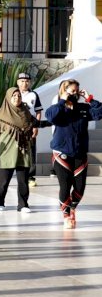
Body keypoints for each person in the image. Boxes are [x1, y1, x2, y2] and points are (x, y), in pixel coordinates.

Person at [45, 79, 102, 229]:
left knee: (80, 188)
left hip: (80, 153)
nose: (75, 93)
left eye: (77, 90)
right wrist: (62, 99)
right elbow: (50, 116)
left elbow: (99, 114)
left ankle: (73, 208)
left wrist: (90, 99)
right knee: (65, 186)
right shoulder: (58, 108)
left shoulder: (83, 108)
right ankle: (66, 215)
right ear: (64, 90)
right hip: (61, 152)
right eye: (72, 90)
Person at [16, 72, 43, 187]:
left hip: (29, 127)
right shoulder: (13, 93)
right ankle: (19, 175)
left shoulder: (34, 95)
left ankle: (31, 177)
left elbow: (38, 111)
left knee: (31, 151)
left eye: (27, 81)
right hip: (15, 127)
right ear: (18, 82)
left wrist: (36, 126)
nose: (24, 83)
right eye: (22, 81)